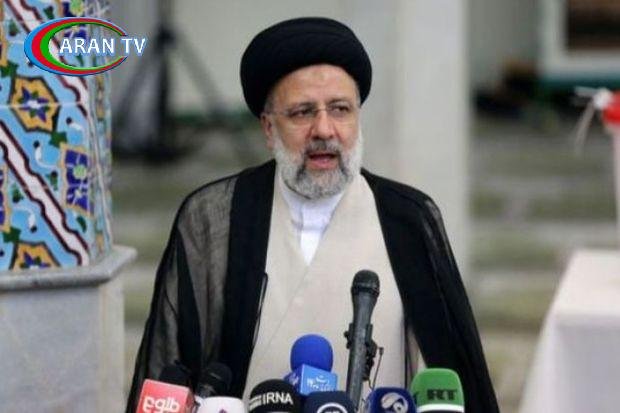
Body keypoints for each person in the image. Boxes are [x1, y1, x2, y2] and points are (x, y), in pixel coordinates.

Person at [127, 17, 499, 413]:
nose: (324, 130)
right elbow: (168, 373)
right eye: (303, 112)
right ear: (268, 128)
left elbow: (457, 378)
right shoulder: (213, 217)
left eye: (340, 109)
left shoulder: (408, 218)